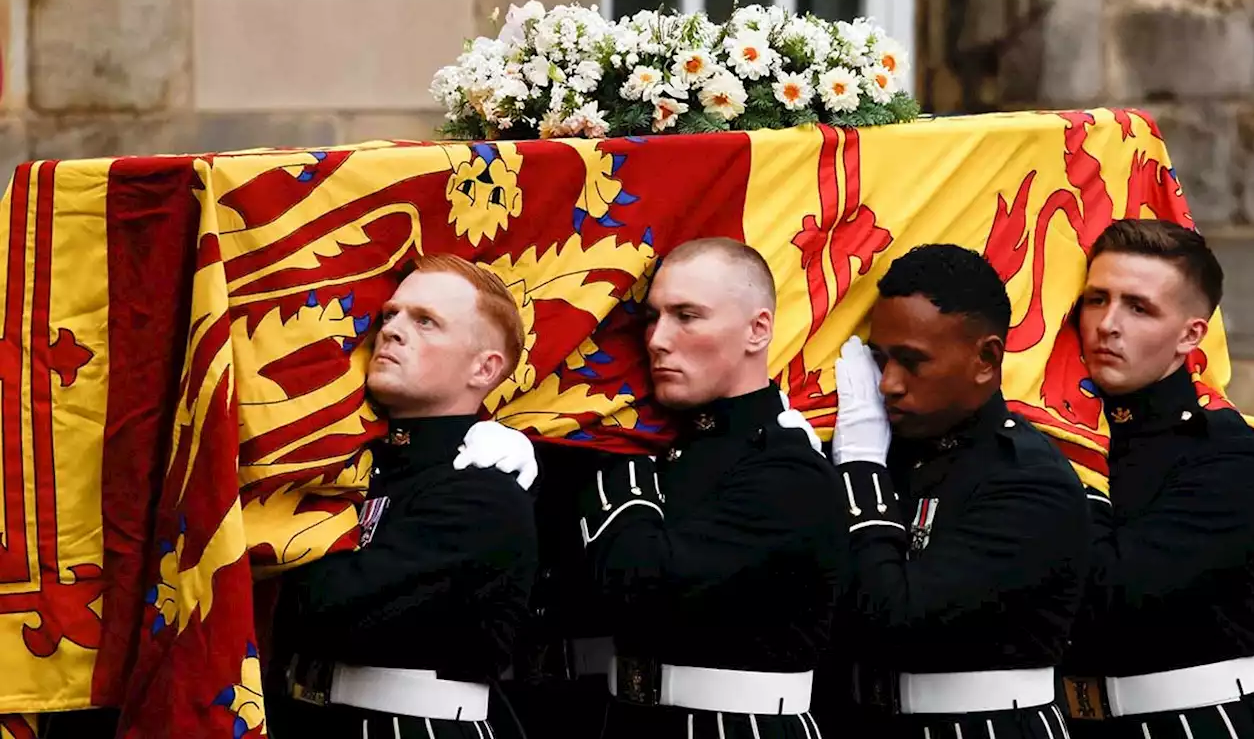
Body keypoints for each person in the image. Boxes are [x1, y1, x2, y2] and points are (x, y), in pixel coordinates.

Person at [813, 244, 1090, 739]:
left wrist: (859, 470)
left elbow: (894, 618)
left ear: (985, 358)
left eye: (912, 362)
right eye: (879, 360)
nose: (887, 385)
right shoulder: (894, 453)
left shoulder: (1029, 480)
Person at [574, 237, 846, 739]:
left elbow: (639, 585)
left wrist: (618, 458)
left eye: (687, 316)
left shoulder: (787, 469)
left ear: (757, 330)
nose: (656, 339)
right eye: (653, 318)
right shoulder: (674, 445)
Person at [265, 253, 541, 739]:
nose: (391, 330)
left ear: (484, 368)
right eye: (390, 314)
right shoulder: (345, 464)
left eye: (426, 322)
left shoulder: (485, 490)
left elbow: (326, 613)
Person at [1062, 219, 1254, 739]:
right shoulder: (1073, 433)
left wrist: (1063, 463)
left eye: (1138, 307)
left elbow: (1109, 593)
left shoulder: (1232, 458)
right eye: (1096, 299)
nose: (1107, 324)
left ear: (1190, 334)